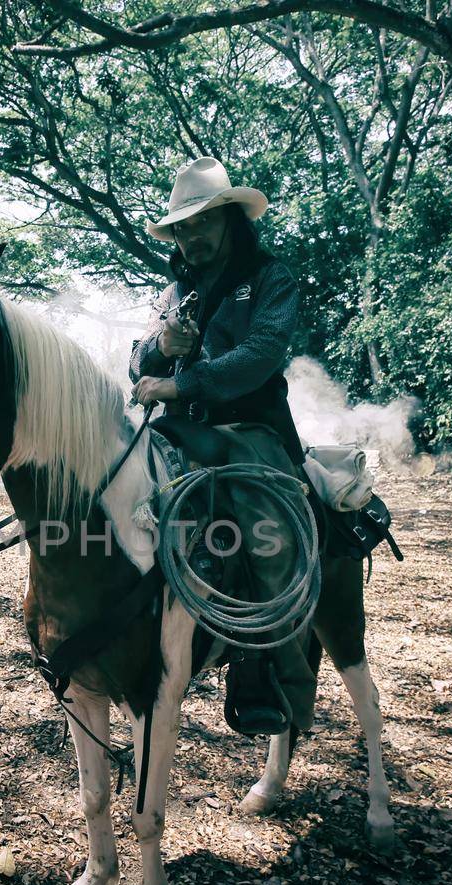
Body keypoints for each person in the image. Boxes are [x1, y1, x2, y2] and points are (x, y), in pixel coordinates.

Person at [129, 156, 317, 736]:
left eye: (201, 223)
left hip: (250, 430)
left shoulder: (270, 277)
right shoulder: (174, 289)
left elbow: (261, 356)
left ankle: (262, 666)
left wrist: (181, 381)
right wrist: (162, 347)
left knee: (268, 536)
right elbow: (137, 360)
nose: (190, 237)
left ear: (232, 219)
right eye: (181, 227)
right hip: (180, 429)